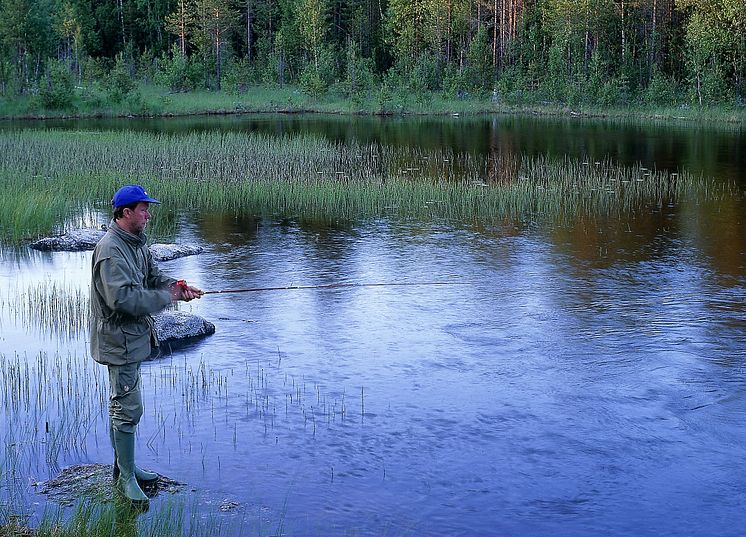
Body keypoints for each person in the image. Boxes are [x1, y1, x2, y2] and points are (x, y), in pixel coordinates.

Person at [90, 184, 202, 506]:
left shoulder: (136, 243)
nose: (148, 214)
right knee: (128, 407)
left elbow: (153, 277)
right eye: (143, 209)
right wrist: (169, 298)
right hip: (118, 342)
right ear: (126, 213)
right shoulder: (111, 250)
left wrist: (176, 286)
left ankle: (124, 468)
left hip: (132, 340)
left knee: (122, 404)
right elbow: (122, 300)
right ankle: (125, 478)